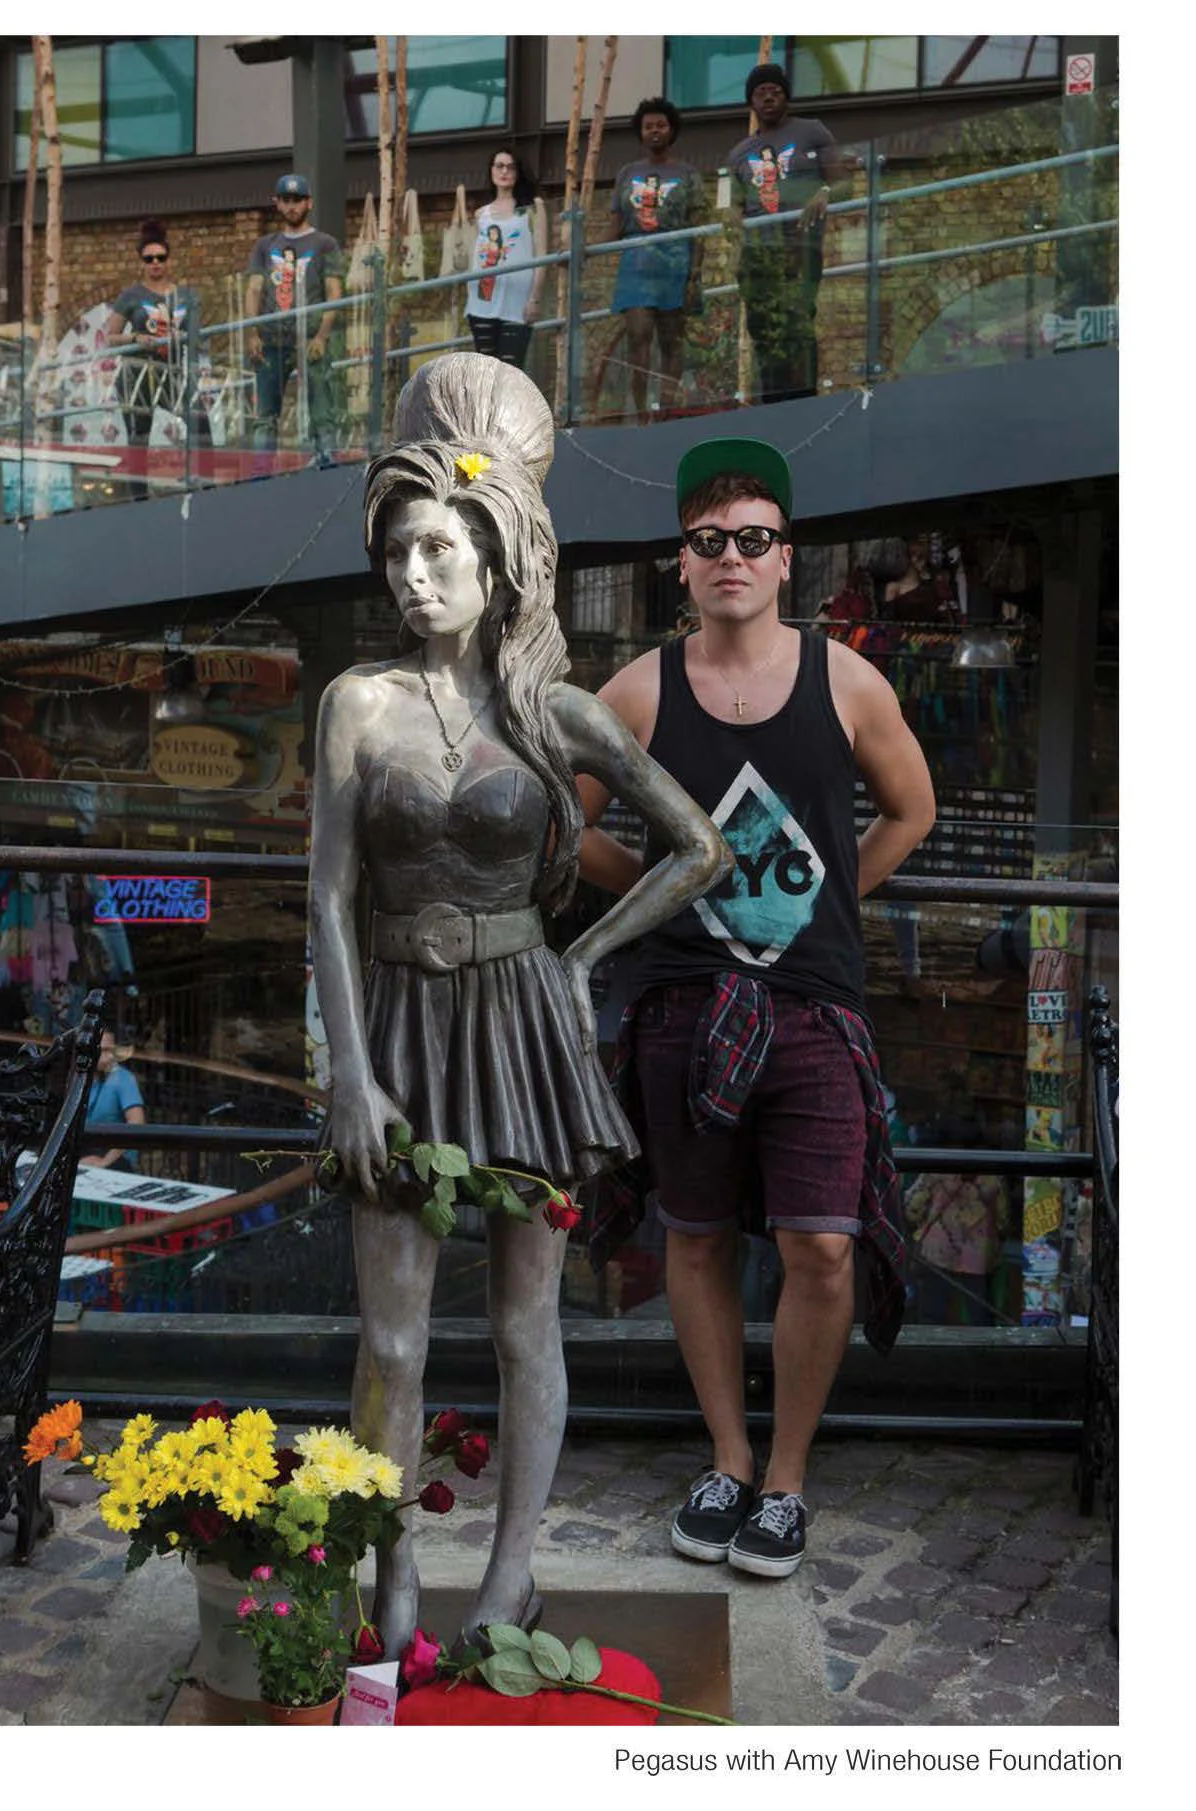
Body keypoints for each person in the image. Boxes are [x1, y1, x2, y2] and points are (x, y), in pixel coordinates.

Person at [307, 352, 729, 1654]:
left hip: (523, 1035)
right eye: (398, 552)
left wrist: (584, 957)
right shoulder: (355, 704)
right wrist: (349, 1070)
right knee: (392, 1335)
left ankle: (508, 1575)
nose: (413, 575)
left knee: (521, 1320)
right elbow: (325, 897)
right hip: (397, 1027)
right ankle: (391, 1576)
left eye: (438, 549)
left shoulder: (556, 715)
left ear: (497, 560)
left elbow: (696, 844)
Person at [577, 436, 935, 1579]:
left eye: (751, 537)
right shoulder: (636, 690)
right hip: (681, 1005)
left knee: (819, 1244)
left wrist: (828, 897)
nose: (729, 556)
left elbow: (911, 809)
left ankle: (784, 1479)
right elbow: (558, 824)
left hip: (814, 1008)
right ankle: (726, 1460)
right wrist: (651, 893)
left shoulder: (847, 682)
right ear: (680, 562)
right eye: (707, 539)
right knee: (691, 1235)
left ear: (785, 556)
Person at [727, 63, 844, 402]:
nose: (768, 98)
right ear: (750, 102)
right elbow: (730, 202)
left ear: (786, 98)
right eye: (760, 93)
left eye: (775, 91)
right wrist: (729, 212)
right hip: (757, 253)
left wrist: (825, 192)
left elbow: (842, 181)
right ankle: (772, 403)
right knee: (762, 327)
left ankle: (804, 399)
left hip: (800, 244)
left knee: (798, 320)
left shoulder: (812, 131)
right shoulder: (738, 152)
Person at [608, 97, 707, 421]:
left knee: (671, 341)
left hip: (675, 265)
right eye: (648, 126)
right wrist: (578, 249)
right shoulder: (626, 173)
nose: (654, 131)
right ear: (639, 132)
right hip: (635, 266)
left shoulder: (687, 172)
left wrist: (694, 273)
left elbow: (699, 228)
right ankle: (641, 415)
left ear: (672, 130)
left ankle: (666, 412)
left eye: (661, 125)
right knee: (638, 338)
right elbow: (613, 228)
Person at [105, 219, 208, 498]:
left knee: (199, 420)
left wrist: (191, 356)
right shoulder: (131, 295)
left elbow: (196, 338)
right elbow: (110, 337)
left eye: (160, 257)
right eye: (148, 259)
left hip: (171, 372)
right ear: (141, 262)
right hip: (137, 373)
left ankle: (203, 482)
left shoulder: (186, 296)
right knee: (139, 436)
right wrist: (135, 338)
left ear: (168, 260)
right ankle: (139, 499)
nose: (155, 263)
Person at [244, 173, 344, 459]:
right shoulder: (265, 245)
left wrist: (322, 336)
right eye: (286, 200)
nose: (292, 206)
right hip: (271, 339)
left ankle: (326, 465)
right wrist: (251, 333)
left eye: (297, 200)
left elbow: (334, 293)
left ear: (309, 202)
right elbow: (253, 289)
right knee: (265, 415)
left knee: (322, 410)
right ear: (277, 203)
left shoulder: (325, 243)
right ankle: (262, 475)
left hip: (310, 337)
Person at [465, 148, 547, 372]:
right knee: (486, 373)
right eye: (499, 166)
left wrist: (535, 298)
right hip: (482, 302)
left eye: (510, 167)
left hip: (517, 303)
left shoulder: (531, 208)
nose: (504, 172)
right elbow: (475, 258)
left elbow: (541, 256)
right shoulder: (481, 214)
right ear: (491, 170)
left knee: (510, 372)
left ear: (518, 172)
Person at [80, 1030, 146, 1171]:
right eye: (103, 1050)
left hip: (115, 1157)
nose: (109, 1057)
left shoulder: (123, 1078)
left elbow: (136, 1123)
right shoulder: (79, 1078)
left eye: (111, 1050)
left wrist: (104, 1162)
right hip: (84, 1150)